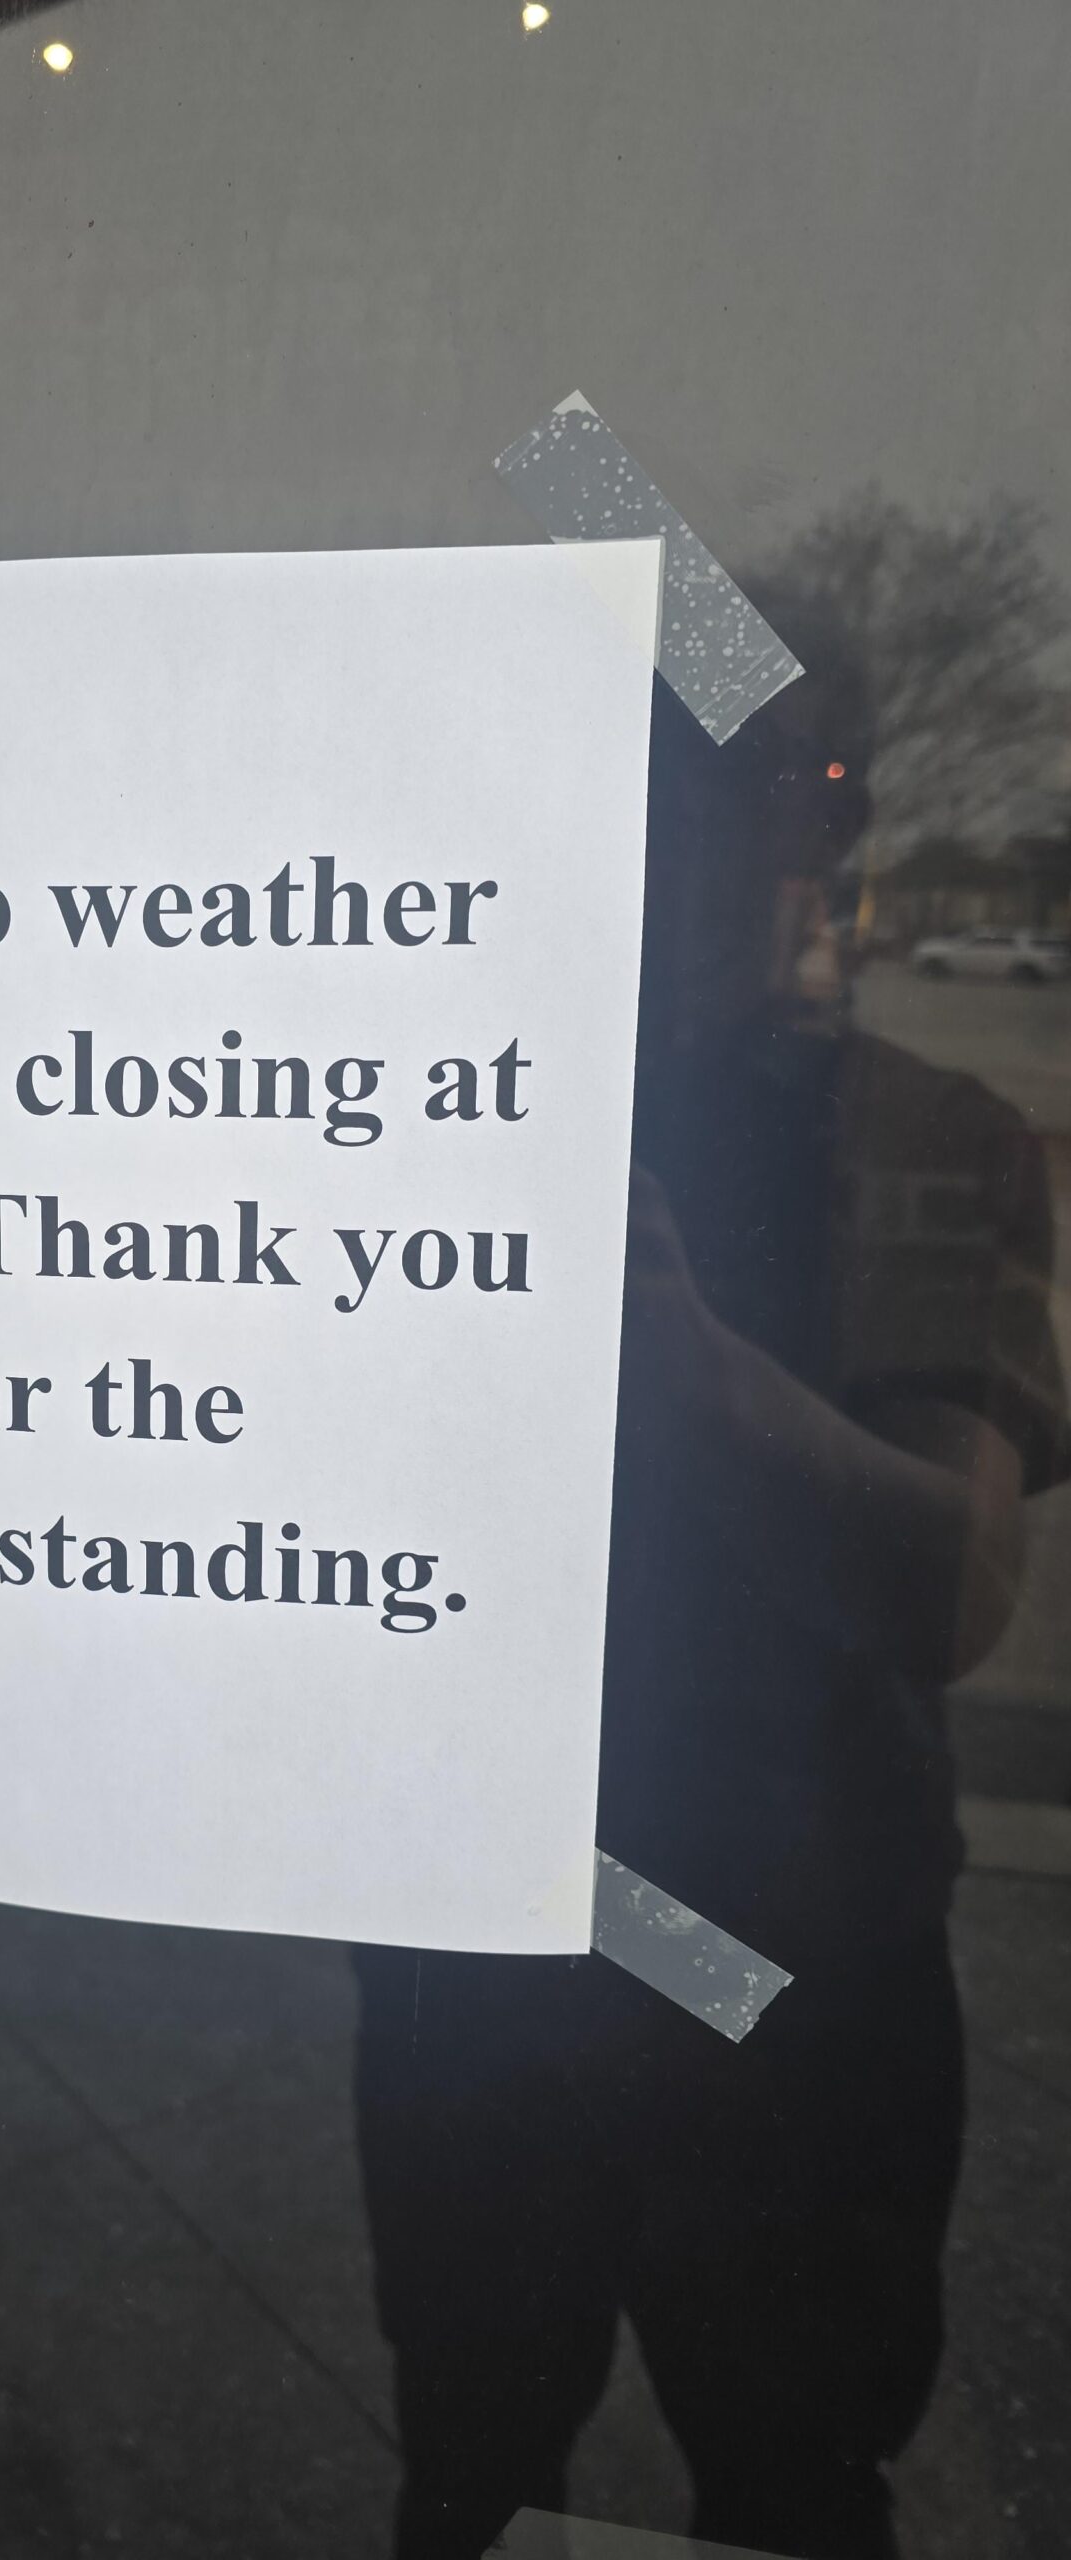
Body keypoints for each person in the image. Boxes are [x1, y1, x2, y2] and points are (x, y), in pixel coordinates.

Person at [354, 671, 1070, 2560]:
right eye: (629, 794)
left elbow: (956, 1586)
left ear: (820, 832)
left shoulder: (917, 1136)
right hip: (491, 1938)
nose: (666, 853)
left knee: (788, 2477)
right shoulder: (420, 1099)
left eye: (728, 799)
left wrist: (689, 1371)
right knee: (474, 2455)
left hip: (794, 1968)